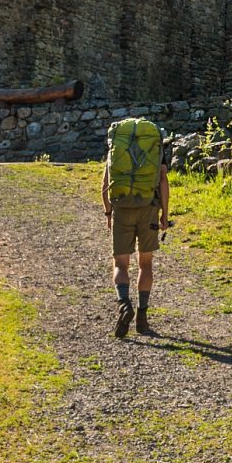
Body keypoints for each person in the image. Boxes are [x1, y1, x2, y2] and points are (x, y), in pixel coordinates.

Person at [102, 116, 170, 339]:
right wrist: (165, 215)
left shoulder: (117, 143)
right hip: (148, 207)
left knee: (120, 263)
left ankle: (124, 304)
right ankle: (142, 317)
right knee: (145, 263)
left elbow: (106, 182)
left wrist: (108, 212)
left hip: (121, 207)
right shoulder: (155, 145)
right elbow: (163, 181)